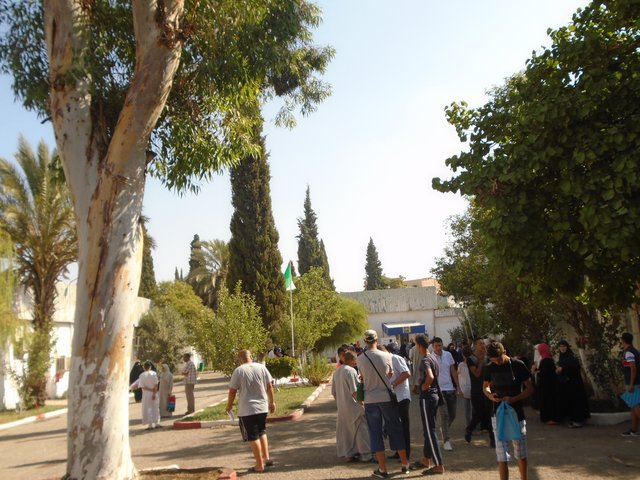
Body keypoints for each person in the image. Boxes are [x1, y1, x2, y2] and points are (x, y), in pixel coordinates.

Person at [356, 329, 411, 478]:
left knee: (375, 433)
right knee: (395, 429)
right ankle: (405, 464)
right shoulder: (387, 356)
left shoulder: (360, 359)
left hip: (370, 399)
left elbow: (362, 377)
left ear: (365, 341)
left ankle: (383, 468)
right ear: (376, 340)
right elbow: (390, 374)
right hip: (386, 397)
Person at [484, 342, 534, 480]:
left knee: (521, 451)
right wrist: (490, 395)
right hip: (497, 413)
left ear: (505, 352)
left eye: (499, 359)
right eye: (494, 361)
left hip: (516, 413)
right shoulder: (489, 367)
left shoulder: (518, 365)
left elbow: (530, 388)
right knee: (502, 455)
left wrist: (514, 399)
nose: (497, 363)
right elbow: (485, 386)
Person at [226, 349, 276, 473]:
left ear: (240, 359)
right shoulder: (261, 367)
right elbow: (270, 386)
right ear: (251, 356)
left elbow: (232, 391)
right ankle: (266, 458)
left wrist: (229, 406)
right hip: (262, 407)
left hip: (247, 409)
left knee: (253, 436)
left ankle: (259, 465)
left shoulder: (238, 371)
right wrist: (272, 402)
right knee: (262, 432)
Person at [331, 349, 372, 462]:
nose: (356, 363)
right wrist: (362, 403)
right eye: (355, 360)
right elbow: (355, 392)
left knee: (347, 432)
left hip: (342, 407)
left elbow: (334, 393)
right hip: (354, 407)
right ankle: (366, 455)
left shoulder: (337, 372)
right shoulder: (351, 371)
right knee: (361, 431)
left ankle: (349, 454)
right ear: (352, 360)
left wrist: (341, 402)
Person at [414, 334, 446, 475]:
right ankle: (426, 459)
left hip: (428, 397)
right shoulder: (433, 357)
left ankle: (438, 465)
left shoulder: (426, 359)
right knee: (428, 429)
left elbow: (431, 376)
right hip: (434, 397)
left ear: (419, 345)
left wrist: (424, 387)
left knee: (430, 431)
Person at [380, 344, 412, 461]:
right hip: (392, 398)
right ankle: (399, 452)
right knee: (395, 426)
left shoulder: (396, 358)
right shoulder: (384, 361)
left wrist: (393, 384)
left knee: (403, 427)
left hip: (402, 397)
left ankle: (406, 454)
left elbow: (406, 373)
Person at [465, 338, 494, 447]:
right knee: (478, 413)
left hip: (487, 389)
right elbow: (476, 374)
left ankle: (493, 439)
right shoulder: (471, 359)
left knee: (489, 413)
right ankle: (469, 429)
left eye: (483, 344)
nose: (483, 345)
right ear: (475, 346)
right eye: (480, 344)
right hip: (476, 390)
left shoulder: (487, 358)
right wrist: (481, 361)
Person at [555, 340, 590, 428]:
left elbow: (575, 368)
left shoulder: (571, 357)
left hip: (575, 384)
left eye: (564, 346)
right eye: (560, 346)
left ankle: (579, 420)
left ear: (567, 347)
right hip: (567, 384)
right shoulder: (562, 357)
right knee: (571, 402)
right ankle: (574, 419)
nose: (562, 348)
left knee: (577, 402)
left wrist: (563, 369)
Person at [431, 337, 457, 451]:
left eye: (440, 345)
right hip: (439, 390)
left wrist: (458, 386)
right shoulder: (431, 357)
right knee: (444, 414)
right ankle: (446, 440)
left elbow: (453, 371)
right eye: (436, 346)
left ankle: (444, 428)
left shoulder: (448, 355)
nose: (438, 348)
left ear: (442, 345)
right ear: (433, 346)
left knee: (453, 414)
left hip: (450, 388)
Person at [129, 360, 161, 430]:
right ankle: (157, 423)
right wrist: (154, 392)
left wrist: (150, 390)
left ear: (144, 367)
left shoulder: (142, 375)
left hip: (146, 394)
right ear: (150, 367)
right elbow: (156, 384)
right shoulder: (154, 374)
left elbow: (142, 386)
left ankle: (150, 425)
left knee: (148, 408)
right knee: (155, 407)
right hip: (155, 393)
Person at [532, 343, 558, 425]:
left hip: (546, 385)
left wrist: (536, 372)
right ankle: (549, 417)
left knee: (547, 401)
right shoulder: (548, 359)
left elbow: (544, 373)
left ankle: (548, 418)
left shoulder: (545, 360)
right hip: (549, 384)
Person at [620, 332, 640, 436]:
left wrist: (631, 384)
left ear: (623, 341)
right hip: (635, 382)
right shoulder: (634, 351)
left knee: (636, 406)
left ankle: (634, 429)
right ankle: (634, 429)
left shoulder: (629, 353)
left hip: (633, 383)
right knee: (633, 406)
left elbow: (633, 369)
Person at [458, 345, 473, 427]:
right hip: (473, 388)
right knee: (474, 408)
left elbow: (458, 375)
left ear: (463, 355)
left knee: (467, 409)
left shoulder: (461, 365)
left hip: (464, 389)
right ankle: (475, 425)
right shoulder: (474, 364)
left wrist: (459, 389)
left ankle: (468, 425)